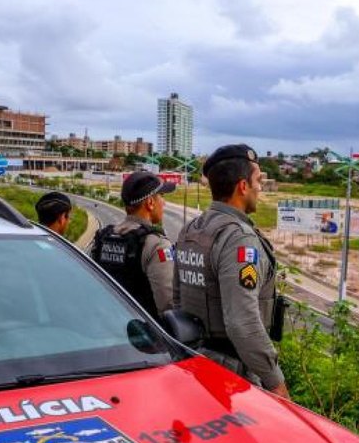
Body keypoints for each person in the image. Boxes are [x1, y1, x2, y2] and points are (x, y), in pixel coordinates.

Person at [174, 144, 289, 398]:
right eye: (258, 180)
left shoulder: (191, 229)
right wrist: (275, 383)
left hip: (195, 363)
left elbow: (176, 300)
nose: (260, 187)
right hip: (234, 379)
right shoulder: (238, 238)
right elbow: (242, 323)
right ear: (243, 186)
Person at [89, 172, 176, 320]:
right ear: (150, 203)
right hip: (142, 336)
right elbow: (168, 306)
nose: (164, 203)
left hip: (106, 325)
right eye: (162, 196)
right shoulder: (156, 244)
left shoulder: (103, 238)